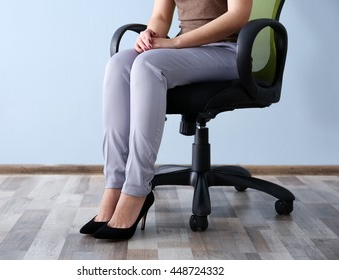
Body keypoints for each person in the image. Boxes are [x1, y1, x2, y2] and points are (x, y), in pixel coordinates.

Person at [80, 0, 253, 240]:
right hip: (186, 51)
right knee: (119, 64)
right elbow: (161, 16)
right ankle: (115, 186)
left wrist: (175, 43)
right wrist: (149, 36)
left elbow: (238, 16)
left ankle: (136, 191)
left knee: (148, 65)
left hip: (228, 52)